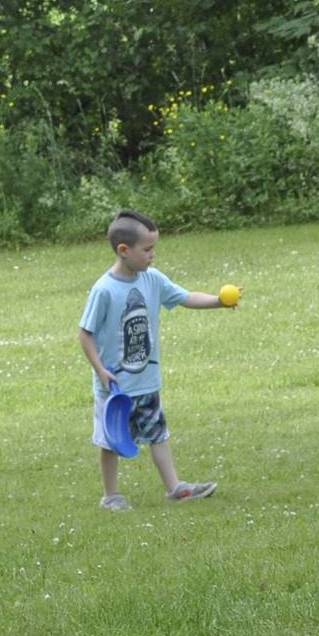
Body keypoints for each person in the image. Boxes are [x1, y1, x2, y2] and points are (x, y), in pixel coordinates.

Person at [78, 209, 234, 511]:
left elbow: (185, 297)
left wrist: (219, 301)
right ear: (124, 250)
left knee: (158, 434)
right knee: (111, 441)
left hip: (146, 381)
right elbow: (85, 335)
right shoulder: (104, 290)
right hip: (115, 388)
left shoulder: (152, 279)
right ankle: (111, 495)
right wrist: (100, 371)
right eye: (147, 249)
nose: (153, 256)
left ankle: (174, 487)